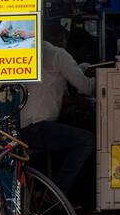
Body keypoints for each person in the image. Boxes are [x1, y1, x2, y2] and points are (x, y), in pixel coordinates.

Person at [20, 25, 95, 203]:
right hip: (36, 127)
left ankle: (50, 191)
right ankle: (56, 194)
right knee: (86, 140)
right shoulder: (58, 54)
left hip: (19, 126)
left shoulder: (25, 52)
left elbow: (47, 90)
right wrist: (101, 76)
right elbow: (86, 86)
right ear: (62, 40)